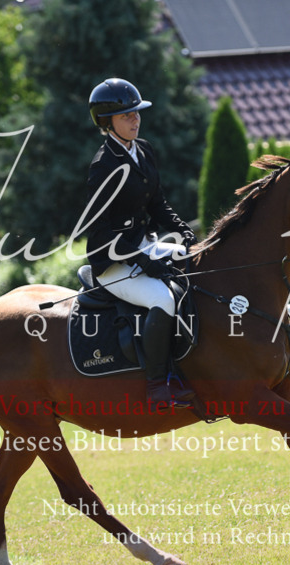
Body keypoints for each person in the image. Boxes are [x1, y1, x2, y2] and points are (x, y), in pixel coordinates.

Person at [84, 77, 196, 409]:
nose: (135, 120)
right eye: (126, 116)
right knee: (162, 299)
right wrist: (144, 262)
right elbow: (100, 233)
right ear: (107, 122)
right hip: (112, 262)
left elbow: (158, 204)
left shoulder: (143, 149)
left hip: (144, 246)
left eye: (137, 113)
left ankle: (190, 364)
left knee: (195, 262)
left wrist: (185, 234)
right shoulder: (102, 167)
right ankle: (157, 386)